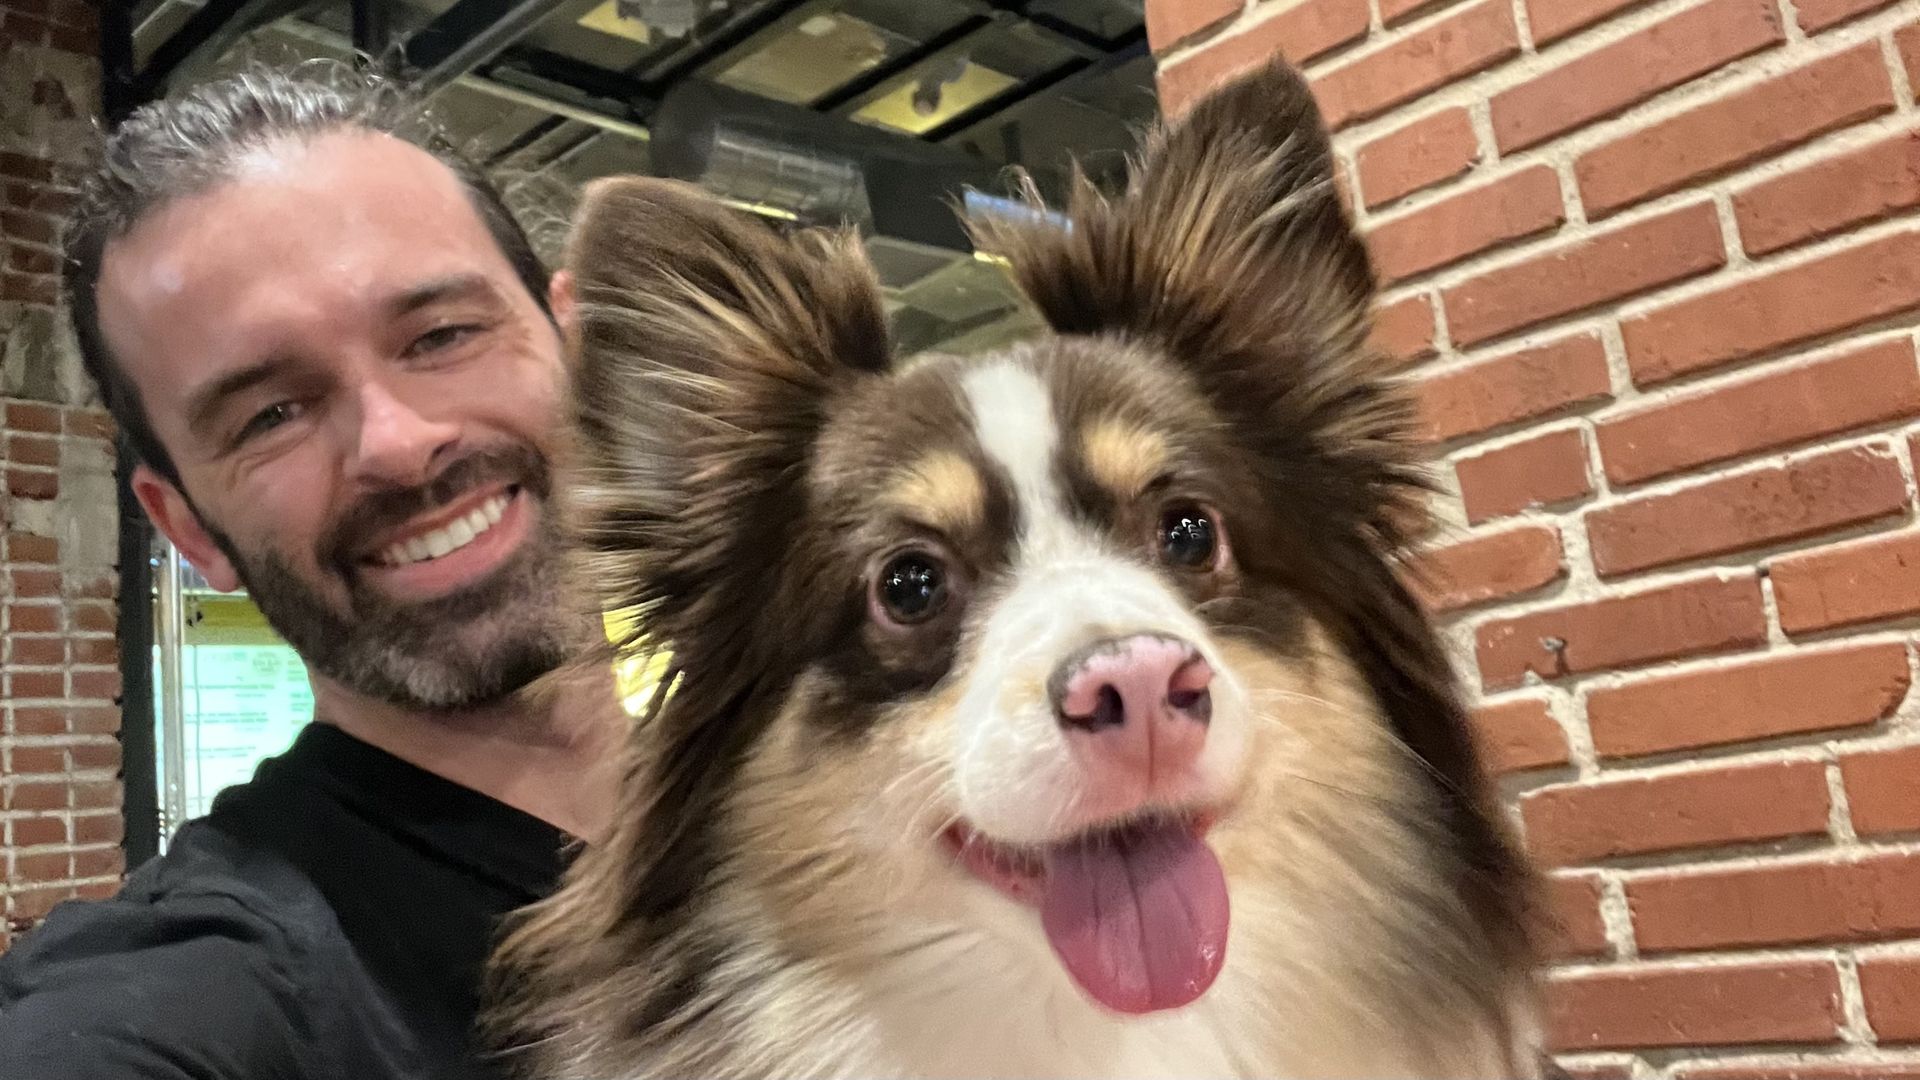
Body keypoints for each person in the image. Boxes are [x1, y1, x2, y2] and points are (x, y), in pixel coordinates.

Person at [0, 61, 628, 1079]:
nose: (396, 441)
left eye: (442, 334)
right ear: (190, 528)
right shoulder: (213, 994)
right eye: (270, 414)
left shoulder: (832, 791)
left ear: (583, 354)